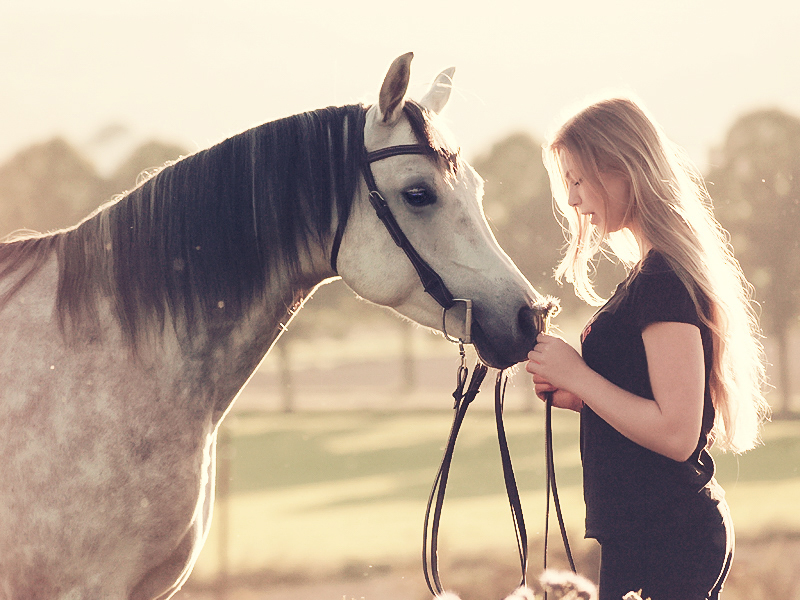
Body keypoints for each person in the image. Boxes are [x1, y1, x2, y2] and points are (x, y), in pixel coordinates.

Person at [525, 96, 769, 600]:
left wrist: (580, 376)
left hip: (667, 539)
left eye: (576, 179)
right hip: (648, 535)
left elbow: (677, 433)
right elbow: (651, 397)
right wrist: (581, 396)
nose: (571, 200)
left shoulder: (661, 282)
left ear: (621, 170)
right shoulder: (649, 275)